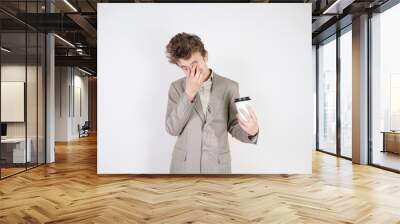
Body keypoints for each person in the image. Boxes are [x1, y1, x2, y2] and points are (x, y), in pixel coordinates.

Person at [165, 32, 259, 174]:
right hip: (183, 169)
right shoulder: (176, 88)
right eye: (184, 68)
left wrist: (252, 132)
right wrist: (188, 94)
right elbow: (172, 129)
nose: (192, 71)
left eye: (194, 63)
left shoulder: (230, 87)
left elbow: (233, 126)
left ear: (205, 56)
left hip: (217, 169)